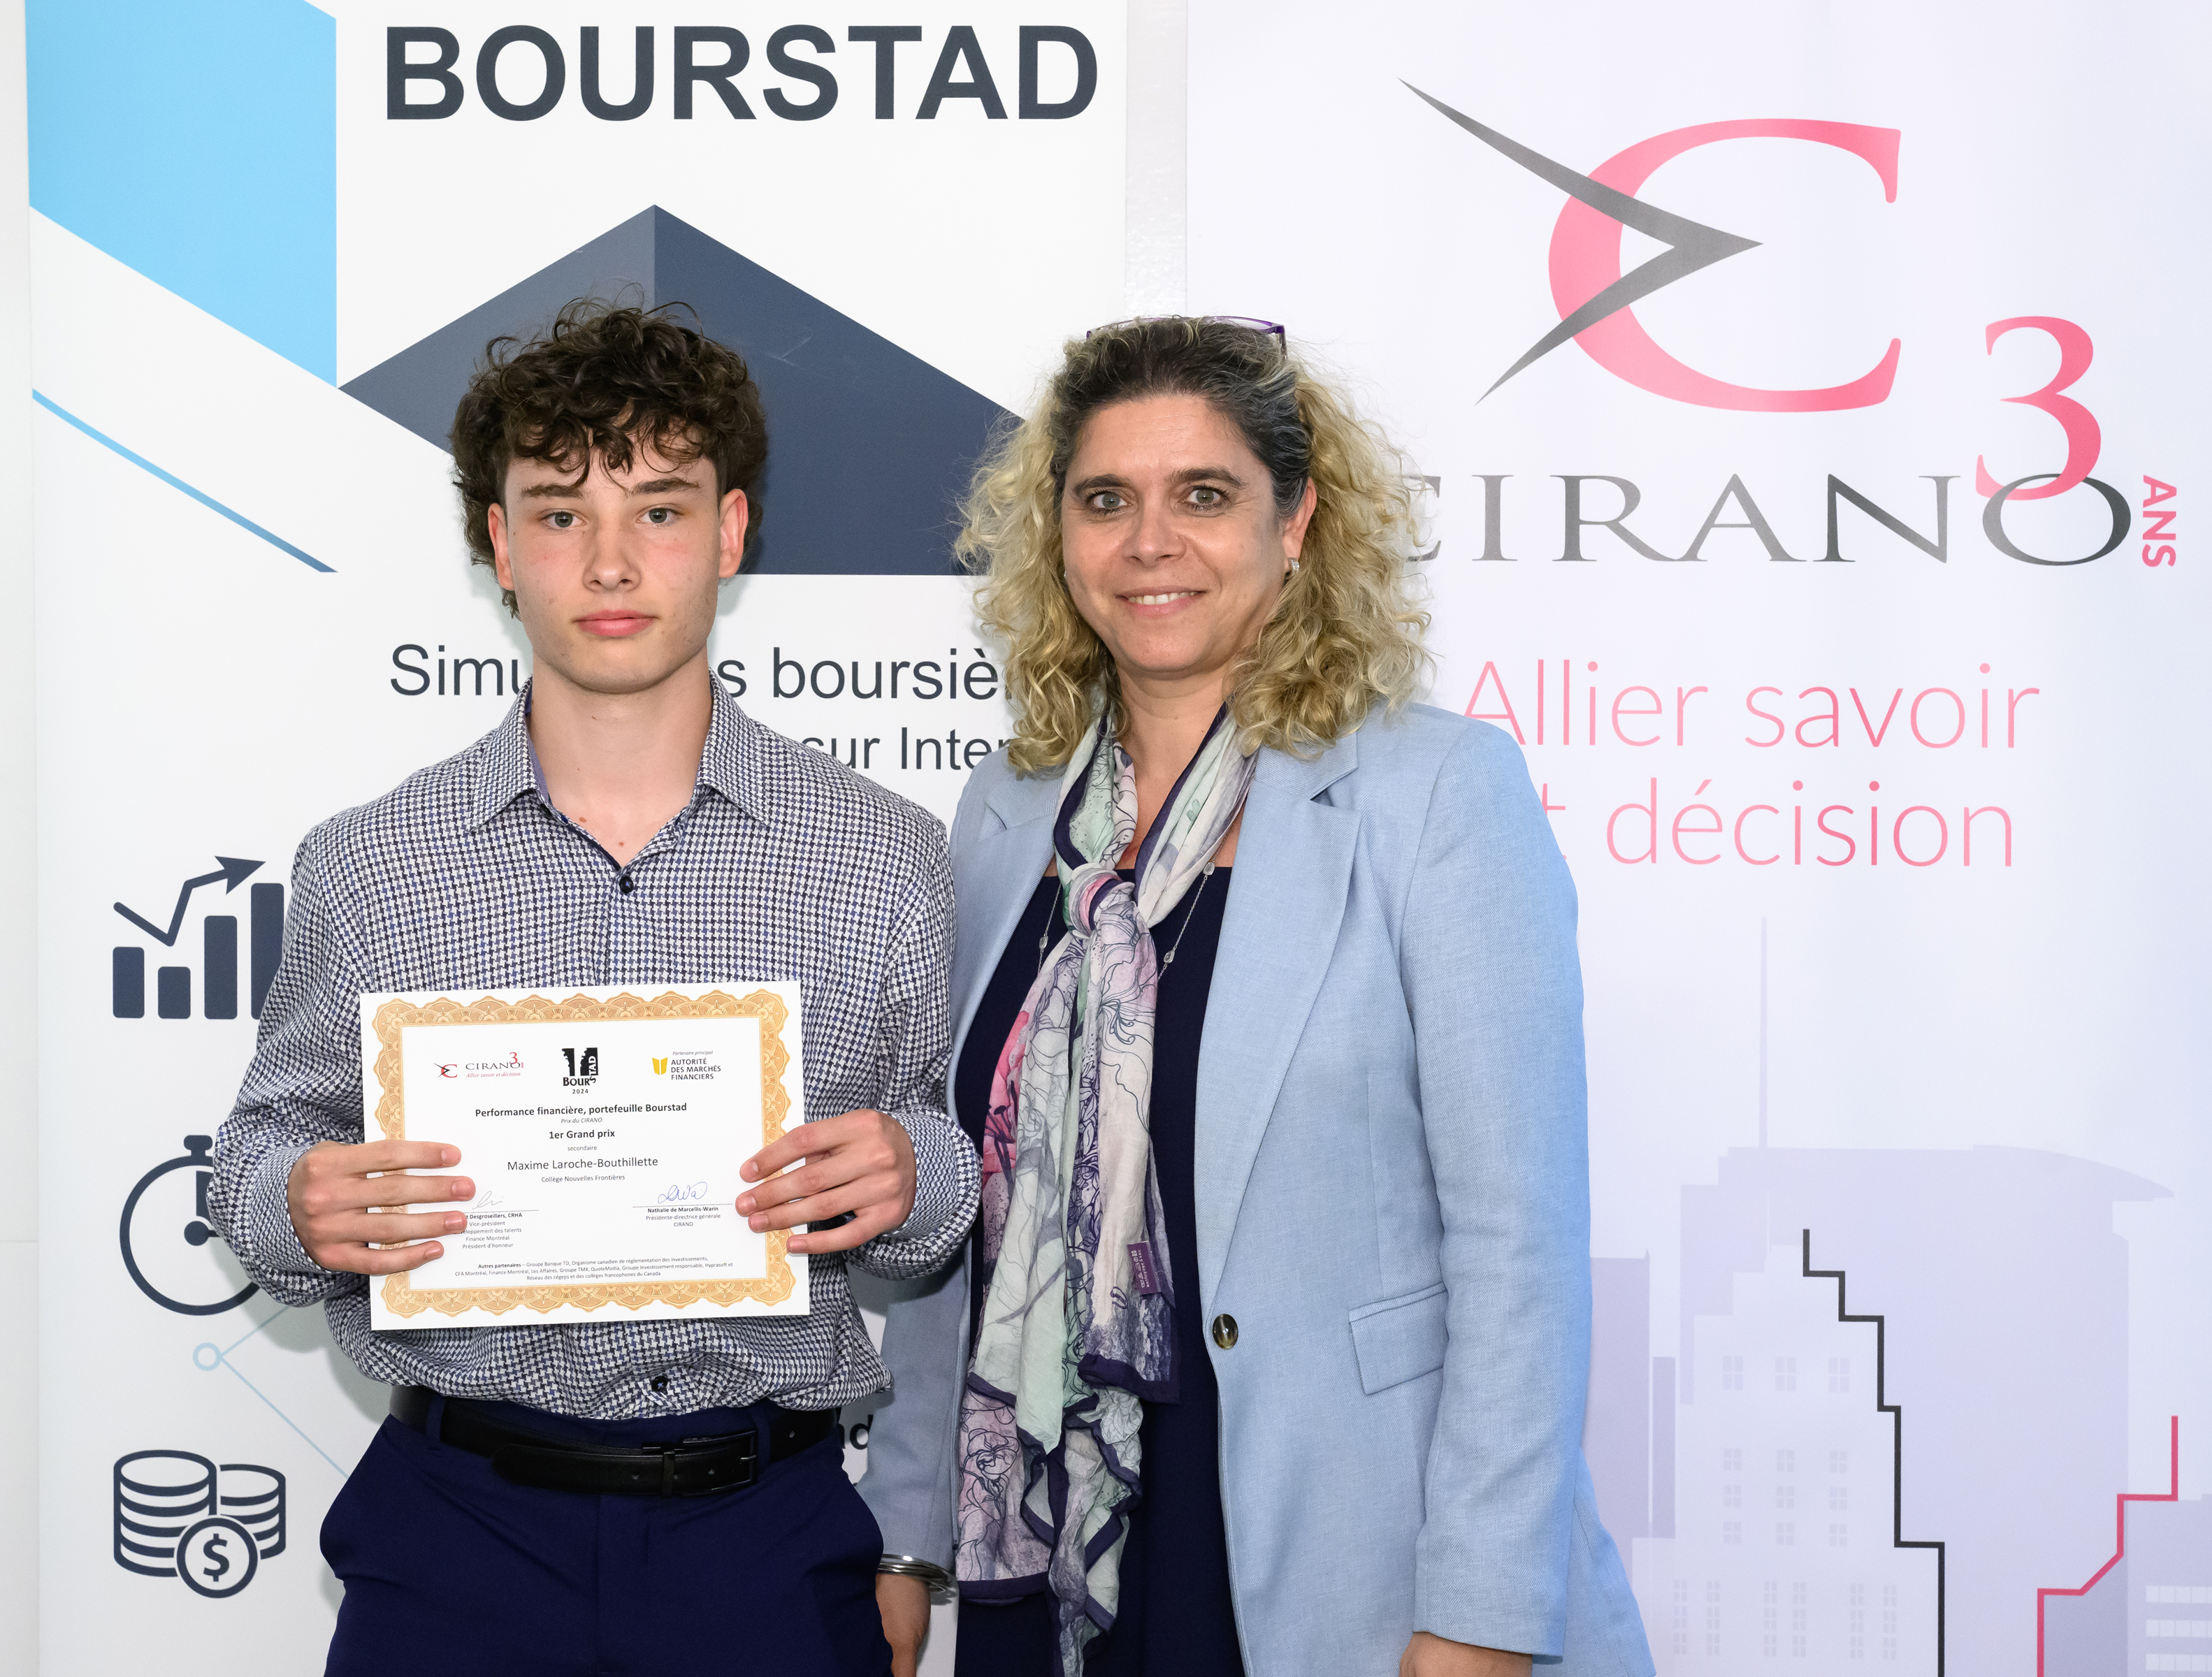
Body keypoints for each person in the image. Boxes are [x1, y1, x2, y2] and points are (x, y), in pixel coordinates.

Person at [860, 317, 1654, 1677]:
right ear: (1059, 537)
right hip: (1041, 1542)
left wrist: (1478, 1617)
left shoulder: (1433, 797)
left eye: (1204, 495)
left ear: (1296, 523)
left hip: (1340, 1548)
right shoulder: (1008, 811)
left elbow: (1517, 1254)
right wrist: (905, 1532)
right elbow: (971, 1214)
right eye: (1105, 500)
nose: (1149, 542)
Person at [209, 300, 978, 1677]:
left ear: (731, 533)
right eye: (560, 514)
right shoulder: (372, 864)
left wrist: (916, 1175)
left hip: (765, 1537)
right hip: (457, 1537)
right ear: (500, 545)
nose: (611, 561)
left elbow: (940, 1206)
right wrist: (298, 1202)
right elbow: (260, 1159)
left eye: (660, 511)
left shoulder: (886, 859)